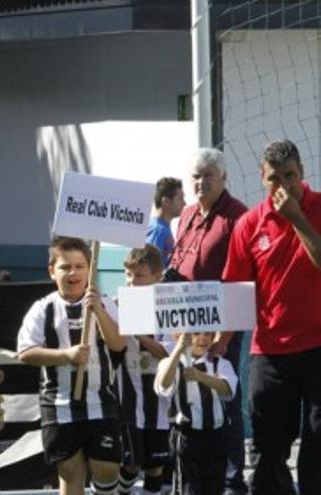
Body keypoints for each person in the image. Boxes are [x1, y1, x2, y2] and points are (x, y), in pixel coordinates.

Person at [222, 139, 321, 495]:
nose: (284, 186)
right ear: (263, 181)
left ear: (303, 173)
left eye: (290, 176)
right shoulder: (249, 224)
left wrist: (297, 218)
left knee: (317, 441)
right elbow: (235, 290)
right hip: (270, 350)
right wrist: (219, 342)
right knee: (268, 446)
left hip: (318, 346)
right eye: (274, 179)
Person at [17, 236, 125, 495]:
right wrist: (66, 356)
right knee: (70, 472)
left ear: (90, 269)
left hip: (100, 400)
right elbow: (25, 352)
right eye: (65, 267)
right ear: (52, 271)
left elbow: (119, 344)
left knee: (107, 467)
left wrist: (98, 311)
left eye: (79, 266)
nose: (73, 272)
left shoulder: (106, 302)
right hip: (59, 403)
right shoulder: (42, 309)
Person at [168, 148, 248, 494]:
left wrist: (224, 337)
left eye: (208, 176)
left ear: (223, 178)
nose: (201, 182)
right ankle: (188, 473)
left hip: (220, 325)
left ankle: (232, 477)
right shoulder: (185, 214)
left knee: (223, 396)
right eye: (195, 177)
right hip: (185, 325)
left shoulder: (237, 217)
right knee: (187, 396)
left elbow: (241, 282)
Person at [116, 245, 170, 495]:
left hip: (159, 402)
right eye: (128, 275)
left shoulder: (168, 308)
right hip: (127, 398)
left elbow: (166, 353)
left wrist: (138, 334)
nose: (131, 281)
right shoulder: (115, 305)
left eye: (139, 276)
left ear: (158, 276)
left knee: (155, 465)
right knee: (130, 462)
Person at [155, 332, 237, 495]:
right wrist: (178, 350)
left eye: (208, 334)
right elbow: (163, 384)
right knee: (188, 489)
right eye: (196, 334)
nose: (203, 338)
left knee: (214, 488)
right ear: (179, 336)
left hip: (216, 437)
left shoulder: (220, 362)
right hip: (186, 437)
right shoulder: (171, 363)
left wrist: (201, 377)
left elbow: (228, 390)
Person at [146, 177, 185, 267]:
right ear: (166, 201)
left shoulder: (162, 228)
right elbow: (149, 267)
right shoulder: (157, 230)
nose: (184, 203)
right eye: (180, 199)